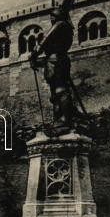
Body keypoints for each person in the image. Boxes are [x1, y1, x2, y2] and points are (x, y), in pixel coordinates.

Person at [29, 7, 82, 135]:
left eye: (52, 16)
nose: (51, 19)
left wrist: (34, 54)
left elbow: (44, 41)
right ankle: (58, 120)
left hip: (55, 61)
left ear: (58, 16)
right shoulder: (67, 28)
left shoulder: (60, 25)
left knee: (60, 90)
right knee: (56, 93)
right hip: (58, 60)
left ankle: (64, 120)